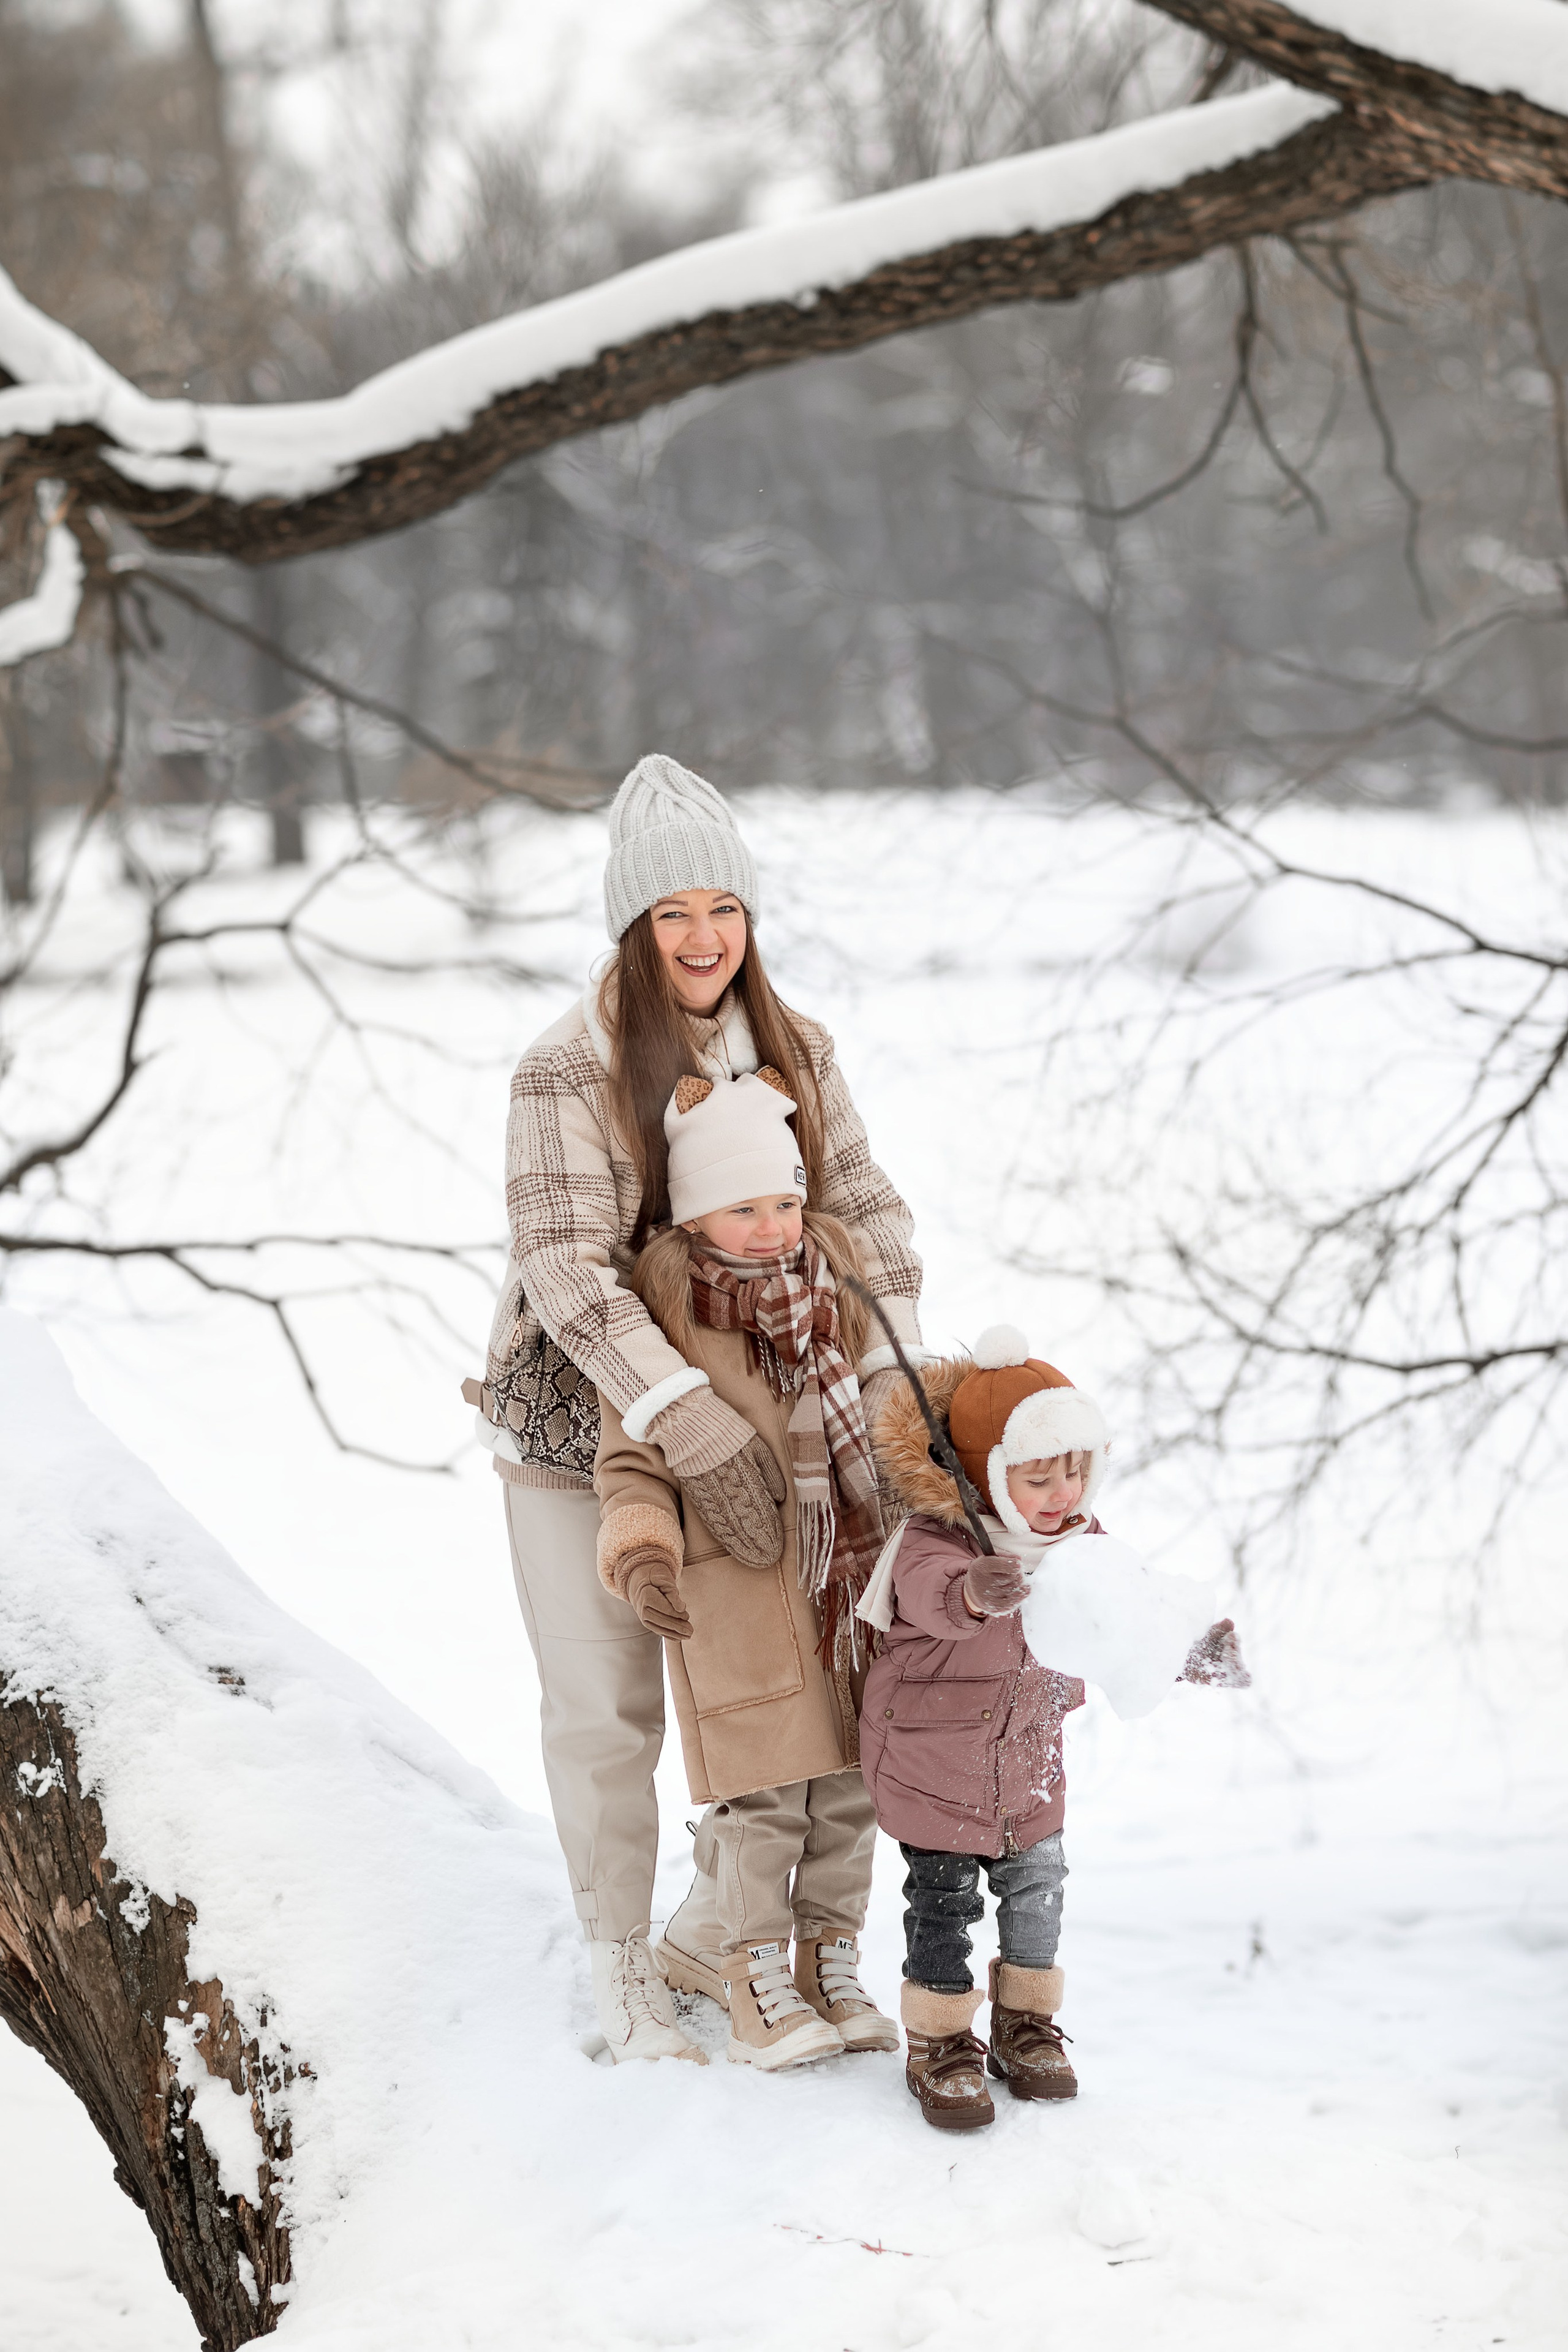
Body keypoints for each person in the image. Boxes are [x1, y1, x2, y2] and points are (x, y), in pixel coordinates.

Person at [469, 753, 929, 2064]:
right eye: (671, 913)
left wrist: (883, 1380)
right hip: (587, 1426)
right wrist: (678, 1410)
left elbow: (868, 1215)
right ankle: (622, 1964)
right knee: (607, 1700)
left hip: (780, 1417)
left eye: (721, 909)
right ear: (632, 923)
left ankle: (716, 1941)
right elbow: (563, 1265)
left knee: (786, 1687)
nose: (702, 938)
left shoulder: (798, 1049)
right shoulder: (567, 1068)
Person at [858, 1328, 1248, 2131]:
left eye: (1077, 1470)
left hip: (1029, 1767)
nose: (1064, 1492)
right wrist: (975, 1592)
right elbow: (934, 1596)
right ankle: (938, 2042)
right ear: (986, 1473)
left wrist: (1188, 1649)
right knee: (944, 1904)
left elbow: (1127, 1619)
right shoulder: (936, 1542)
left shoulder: (1084, 1548)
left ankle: (1024, 2028)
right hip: (932, 1762)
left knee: (1039, 1894)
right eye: (1039, 1476)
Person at [594, 1068, 900, 2069]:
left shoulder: (838, 1298)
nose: (772, 1227)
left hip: (844, 1589)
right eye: (744, 1207)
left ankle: (828, 1958)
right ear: (694, 1215)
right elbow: (632, 1457)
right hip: (735, 1596)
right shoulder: (666, 1324)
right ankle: (751, 1973)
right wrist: (644, 1554)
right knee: (765, 1800)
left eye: (785, 1202)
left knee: (850, 1789)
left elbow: (895, 1419)